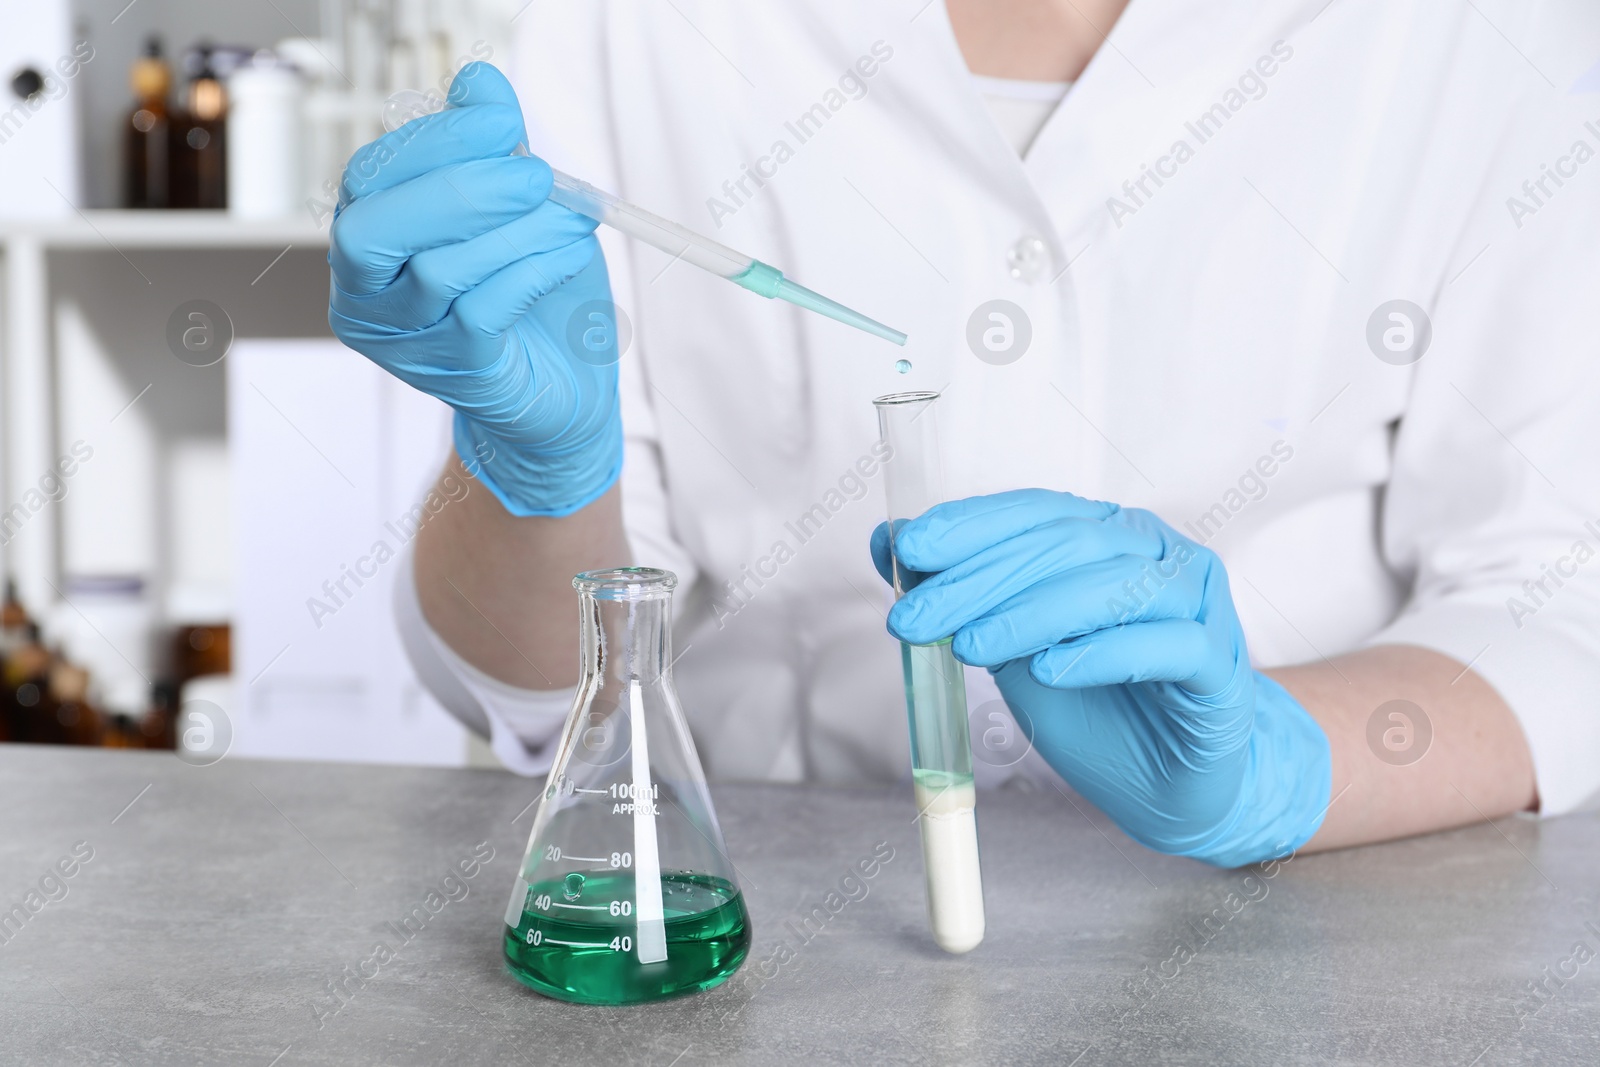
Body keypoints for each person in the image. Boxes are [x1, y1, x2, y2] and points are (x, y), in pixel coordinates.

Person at [328, 0, 1600, 866]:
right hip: (764, 928)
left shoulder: (1492, 33)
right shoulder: (634, 21)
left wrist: (1281, 763)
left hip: (1324, 918)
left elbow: (1553, 601)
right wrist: (536, 474)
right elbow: (547, 682)